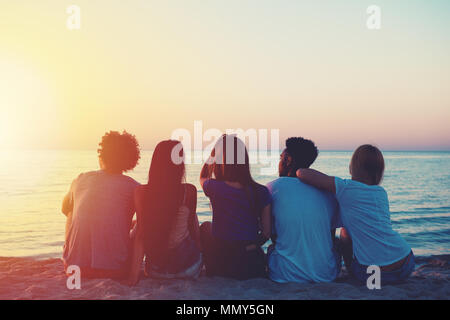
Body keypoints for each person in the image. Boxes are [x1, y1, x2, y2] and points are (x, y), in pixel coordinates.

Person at [297, 144, 415, 285]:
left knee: (342, 238)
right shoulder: (380, 193)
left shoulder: (345, 187)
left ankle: (350, 270)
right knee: (346, 230)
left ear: (352, 167)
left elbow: (302, 173)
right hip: (406, 262)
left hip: (375, 274)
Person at [61, 131, 141, 279]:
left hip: (73, 268)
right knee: (142, 223)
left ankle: (73, 253)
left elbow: (65, 210)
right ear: (131, 159)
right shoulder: (134, 188)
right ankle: (132, 271)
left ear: (102, 155)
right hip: (115, 269)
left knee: (71, 211)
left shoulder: (80, 179)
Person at [266, 137, 342, 283]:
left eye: (281, 158)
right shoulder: (328, 191)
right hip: (326, 275)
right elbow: (331, 237)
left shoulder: (272, 188)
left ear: (287, 160)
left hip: (284, 275)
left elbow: (272, 235)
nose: (279, 163)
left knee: (271, 248)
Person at [127, 140, 202, 285]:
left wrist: (133, 277)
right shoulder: (189, 191)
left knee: (139, 225)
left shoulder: (141, 192)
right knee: (191, 217)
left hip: (156, 270)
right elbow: (193, 231)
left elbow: (141, 235)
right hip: (187, 268)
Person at [199, 135, 272, 280]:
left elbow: (203, 176)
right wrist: (248, 247)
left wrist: (213, 154)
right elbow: (266, 233)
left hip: (222, 263)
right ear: (244, 161)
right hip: (250, 264)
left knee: (205, 228)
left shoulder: (214, 187)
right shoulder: (261, 191)